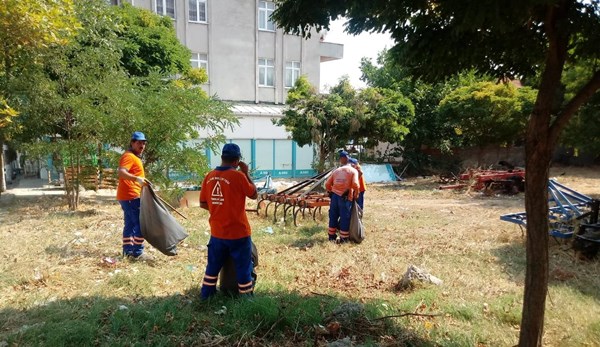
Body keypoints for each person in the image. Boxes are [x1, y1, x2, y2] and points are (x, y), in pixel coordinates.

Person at [199, 143, 258, 300]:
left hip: (217, 232)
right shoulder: (238, 176)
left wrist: (219, 209)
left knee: (212, 267)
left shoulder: (209, 176)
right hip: (239, 233)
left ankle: (206, 296)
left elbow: (203, 203)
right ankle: (246, 300)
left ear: (222, 158)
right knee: (244, 268)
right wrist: (246, 173)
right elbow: (254, 194)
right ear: (237, 161)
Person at [116, 131, 150, 260]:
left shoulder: (133, 157)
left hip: (127, 196)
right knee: (141, 225)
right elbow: (121, 172)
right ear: (132, 143)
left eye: (143, 143)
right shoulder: (129, 156)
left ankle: (127, 251)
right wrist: (137, 179)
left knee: (130, 224)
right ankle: (137, 253)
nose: (142, 146)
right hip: (131, 196)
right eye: (139, 143)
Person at [325, 150, 359, 243]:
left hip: (335, 196)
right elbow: (356, 184)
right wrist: (356, 193)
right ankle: (344, 238)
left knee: (333, 216)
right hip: (345, 197)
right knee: (345, 217)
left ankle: (331, 237)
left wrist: (331, 192)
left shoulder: (336, 171)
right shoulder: (353, 171)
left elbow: (327, 184)